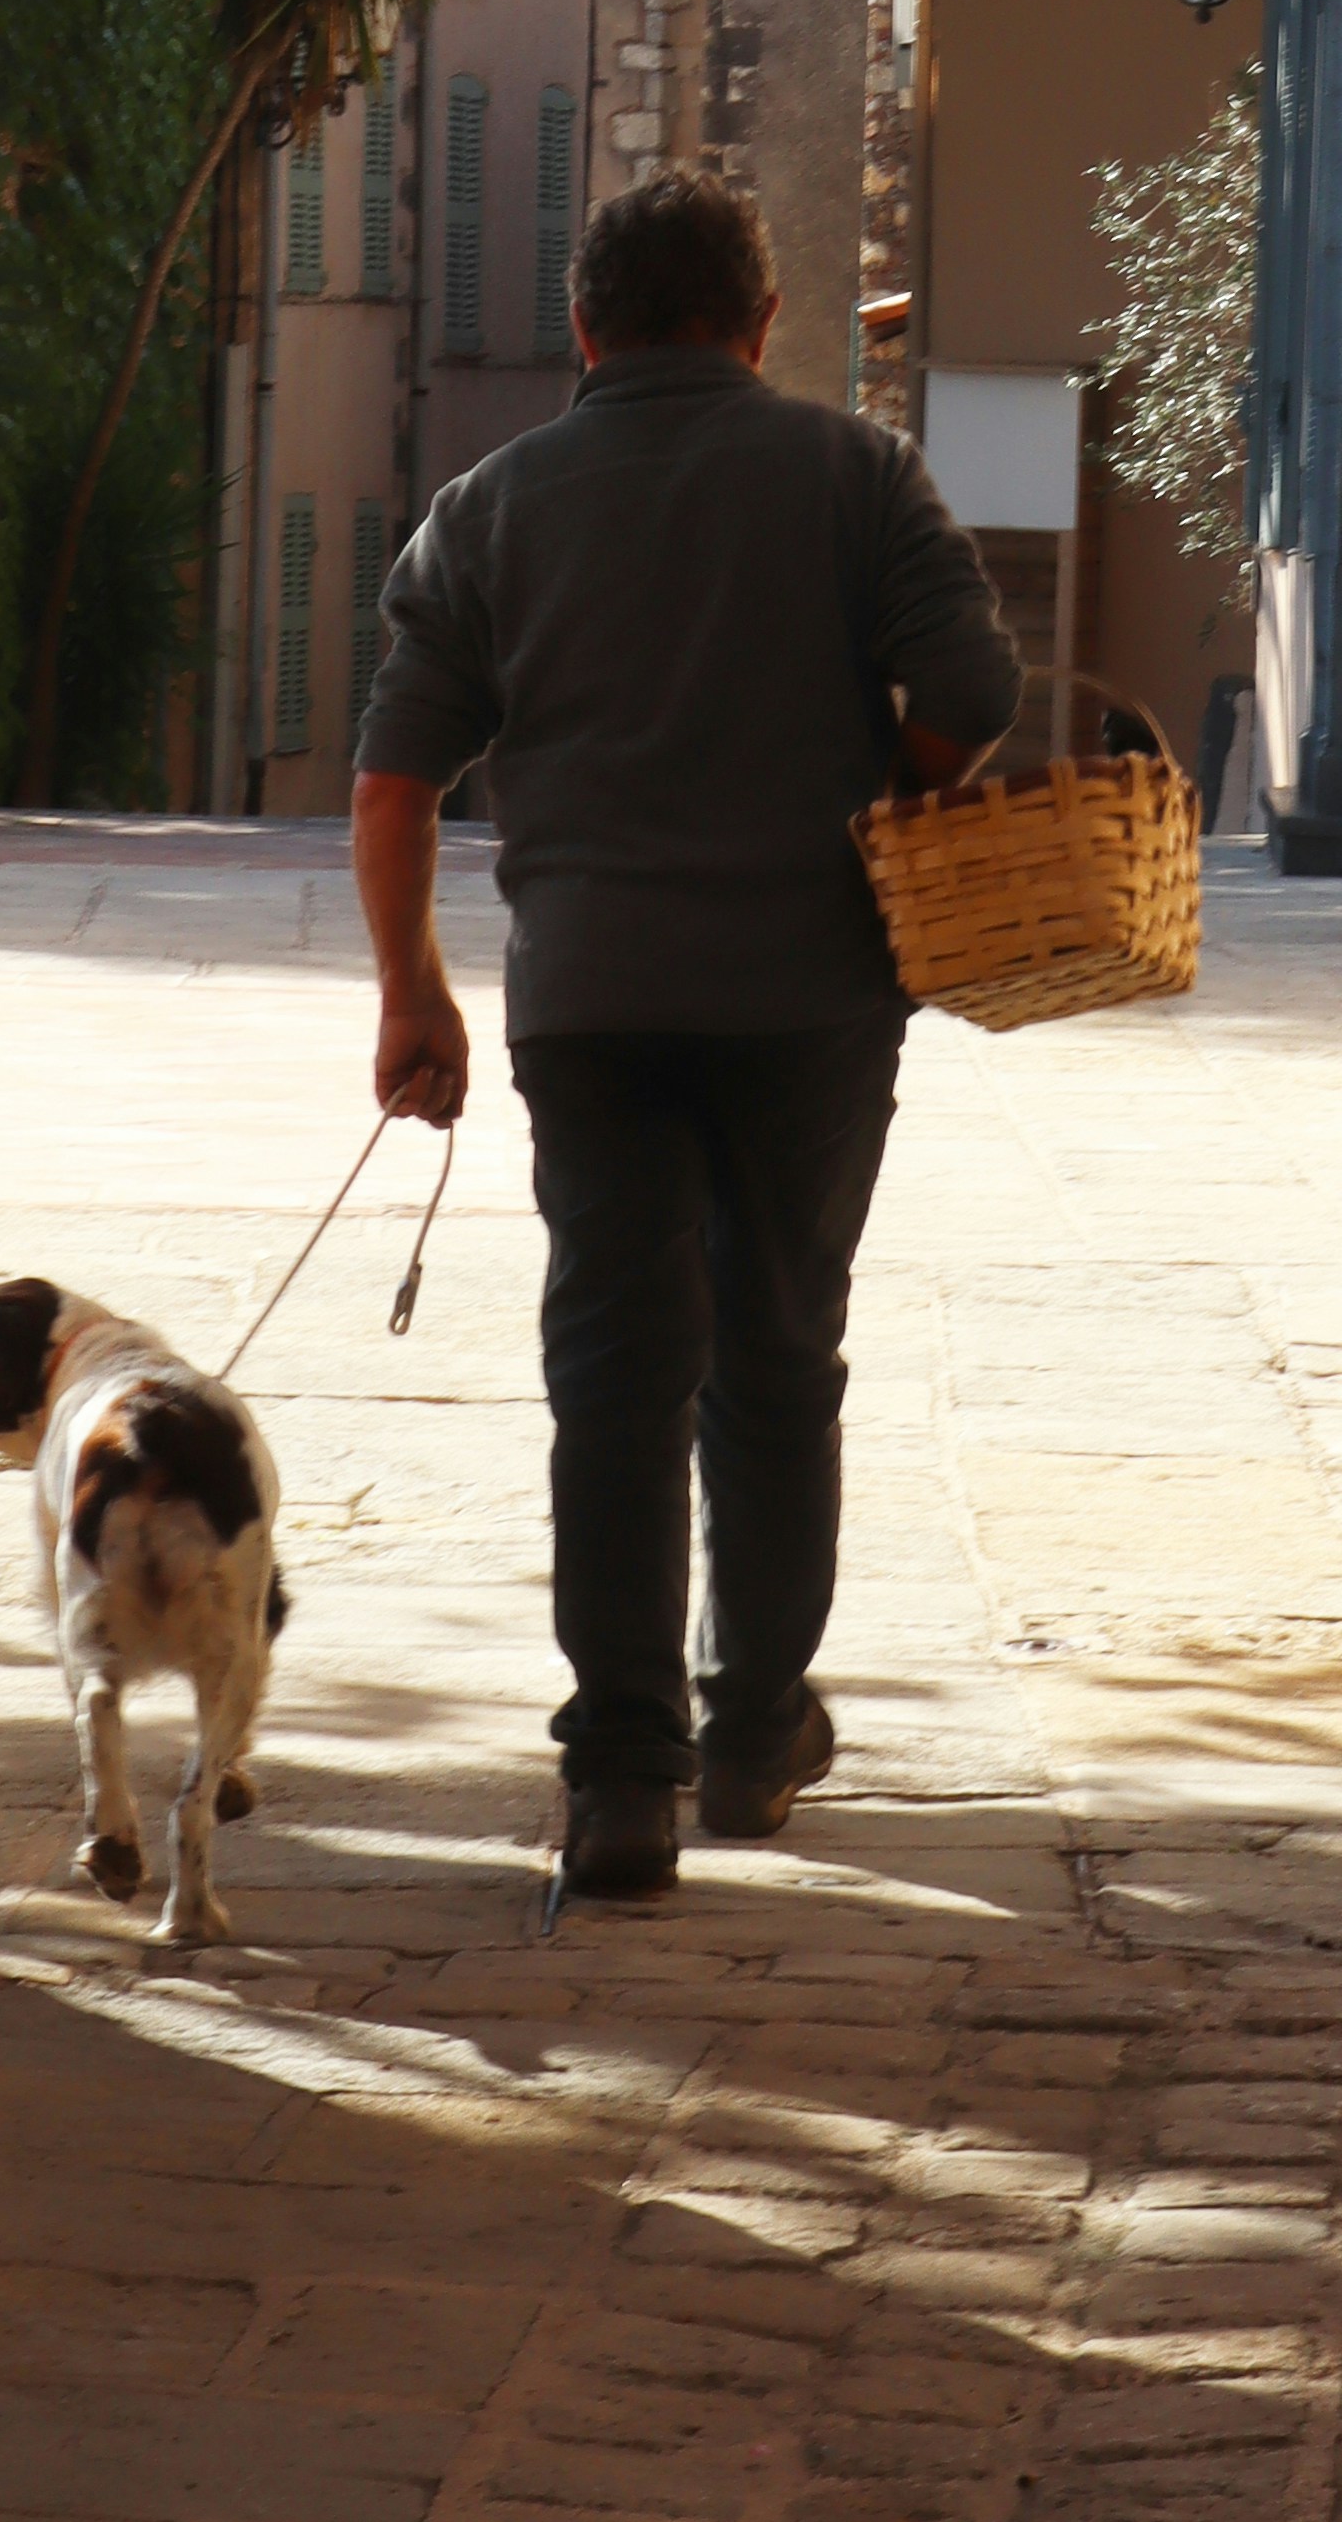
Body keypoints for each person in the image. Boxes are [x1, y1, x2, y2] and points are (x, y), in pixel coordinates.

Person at [350, 164, 1018, 1899]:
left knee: (615, 1372)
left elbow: (398, 774)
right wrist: (894, 799)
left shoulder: (492, 507)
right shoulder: (857, 476)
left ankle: (621, 1784)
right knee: (780, 1355)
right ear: (765, 323)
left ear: (582, 328)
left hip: (593, 1009)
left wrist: (414, 991)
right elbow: (972, 696)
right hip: (810, 999)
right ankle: (753, 1735)